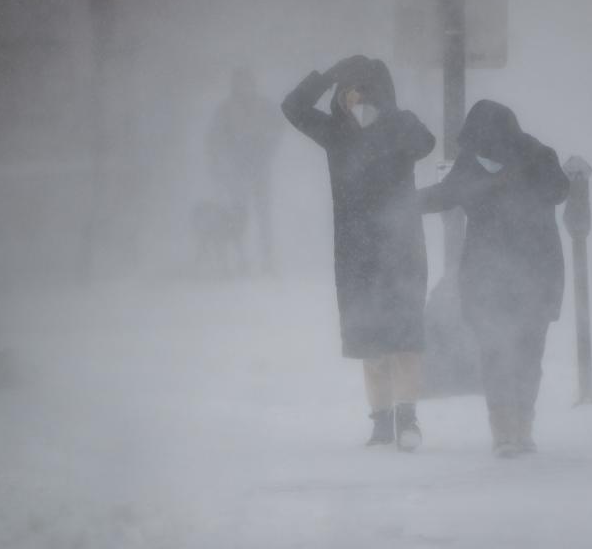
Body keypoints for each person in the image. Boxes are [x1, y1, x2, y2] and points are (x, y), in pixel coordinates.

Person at [281, 56, 435, 451]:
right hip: (355, 251)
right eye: (346, 91)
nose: (353, 99)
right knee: (370, 342)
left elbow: (426, 143)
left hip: (402, 247)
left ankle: (407, 417)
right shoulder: (336, 133)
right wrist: (327, 74)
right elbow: (293, 108)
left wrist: (391, 118)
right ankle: (381, 423)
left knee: (405, 339)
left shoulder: (400, 126)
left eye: (361, 90)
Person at [419, 99, 569, 457]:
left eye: (485, 145)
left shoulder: (537, 156)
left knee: (529, 354)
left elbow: (559, 191)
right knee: (494, 352)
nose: (480, 153)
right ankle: (504, 430)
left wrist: (511, 176)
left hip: (535, 273)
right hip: (486, 277)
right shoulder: (471, 162)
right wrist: (396, 202)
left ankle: (523, 425)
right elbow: (444, 195)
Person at [206, 67, 283, 273]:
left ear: (252, 83)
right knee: (237, 216)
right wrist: (218, 165)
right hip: (236, 170)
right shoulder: (226, 110)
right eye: (240, 82)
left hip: (260, 169)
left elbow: (277, 130)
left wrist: (267, 148)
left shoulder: (265, 107)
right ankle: (241, 259)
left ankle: (267, 259)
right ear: (234, 85)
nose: (243, 86)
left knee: (263, 214)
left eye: (246, 82)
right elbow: (214, 138)